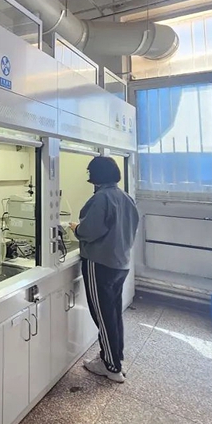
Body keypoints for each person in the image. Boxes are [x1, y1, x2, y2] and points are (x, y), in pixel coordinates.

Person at [69, 156, 139, 383]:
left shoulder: (101, 198)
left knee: (103, 316)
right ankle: (115, 357)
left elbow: (89, 231)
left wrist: (76, 228)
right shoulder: (125, 197)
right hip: (121, 264)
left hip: (99, 264)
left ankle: (111, 366)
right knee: (113, 314)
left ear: (95, 175)